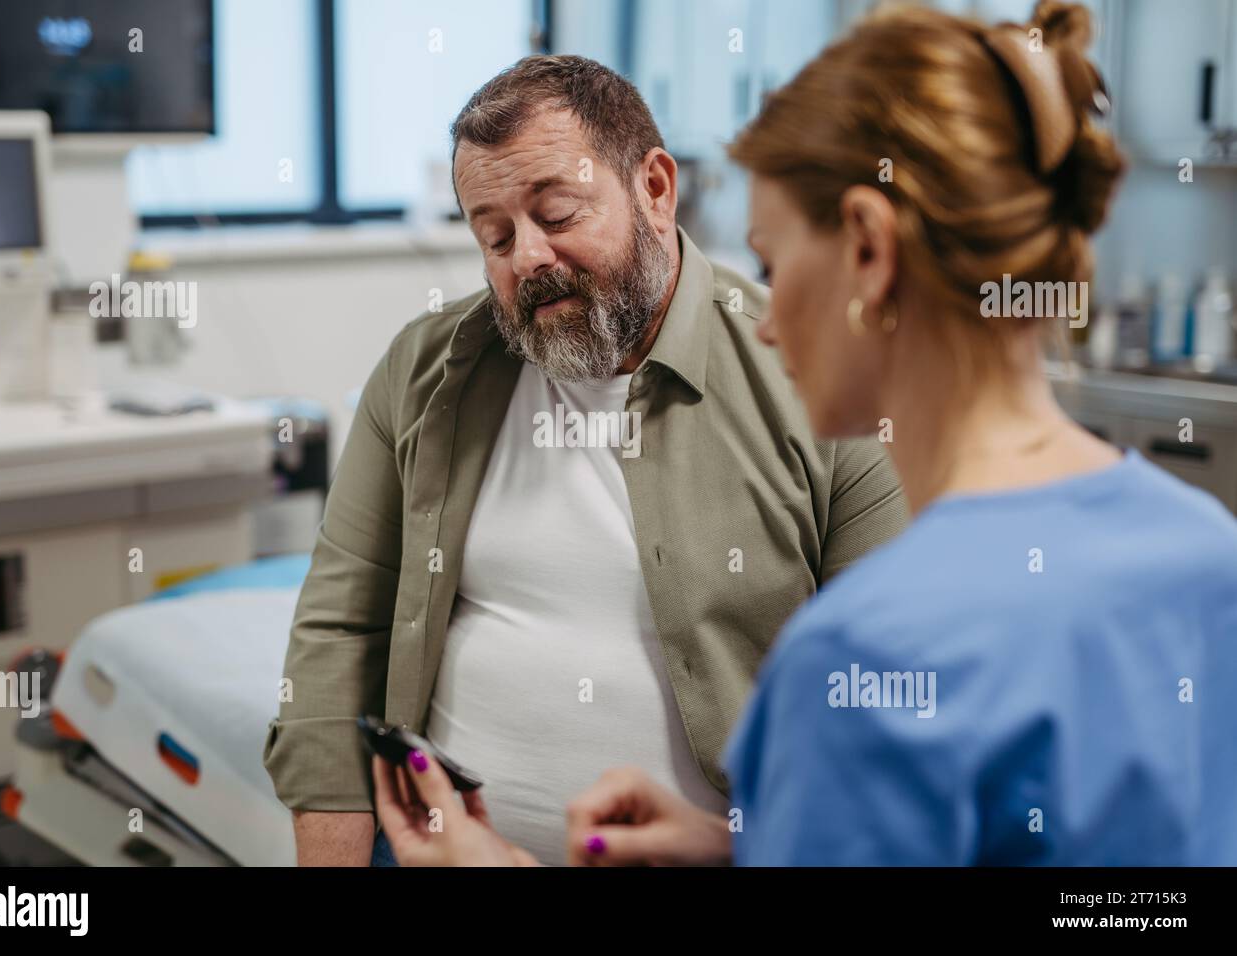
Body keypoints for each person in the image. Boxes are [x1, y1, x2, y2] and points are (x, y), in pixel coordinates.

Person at [374, 1, 1237, 867]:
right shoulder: (1205, 550)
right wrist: (737, 849)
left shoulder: (858, 657)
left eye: (778, 267)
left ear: (868, 250)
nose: (769, 322)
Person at [263, 55, 907, 866]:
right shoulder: (427, 372)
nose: (526, 256)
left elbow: (888, 714)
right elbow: (341, 629)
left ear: (657, 190)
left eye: (558, 213)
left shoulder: (816, 382)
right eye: (493, 236)